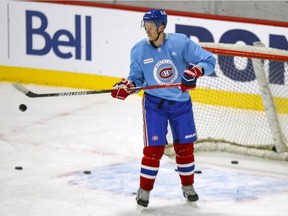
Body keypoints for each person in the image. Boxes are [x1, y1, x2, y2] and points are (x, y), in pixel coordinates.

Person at [111, 9, 216, 208]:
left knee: (185, 149)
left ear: (162, 27)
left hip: (181, 104)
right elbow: (136, 79)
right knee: (153, 150)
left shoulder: (181, 42)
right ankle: (144, 189)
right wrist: (127, 87)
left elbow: (209, 61)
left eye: (151, 27)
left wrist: (195, 71)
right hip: (154, 105)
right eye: (146, 26)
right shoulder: (138, 50)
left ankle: (188, 186)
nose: (148, 31)